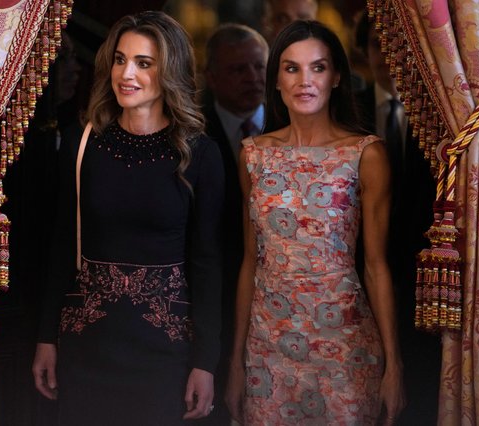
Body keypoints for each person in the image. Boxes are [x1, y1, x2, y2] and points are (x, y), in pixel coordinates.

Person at [32, 11, 225, 425]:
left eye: (144, 63)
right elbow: (63, 245)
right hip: (86, 347)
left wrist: (206, 362)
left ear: (169, 70)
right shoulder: (83, 145)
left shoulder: (200, 154)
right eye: (120, 60)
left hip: (165, 354)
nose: (127, 73)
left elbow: (208, 264)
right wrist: (47, 337)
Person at [225, 20, 405, 425]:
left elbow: (376, 266)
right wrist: (235, 361)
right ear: (275, 80)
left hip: (344, 346)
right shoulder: (252, 155)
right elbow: (250, 261)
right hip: (268, 345)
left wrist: (394, 365)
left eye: (318, 67)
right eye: (291, 68)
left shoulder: (365, 154)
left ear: (337, 76)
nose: (305, 80)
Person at [354, 11, 439, 424]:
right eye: (378, 45)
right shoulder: (347, 115)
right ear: (362, 51)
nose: (389, 57)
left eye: (399, 47)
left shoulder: (444, 116)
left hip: (426, 287)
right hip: (357, 286)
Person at [202, 23, 268, 426]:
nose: (253, 78)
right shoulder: (193, 130)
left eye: (259, 67)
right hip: (216, 296)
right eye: (238, 69)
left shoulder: (290, 119)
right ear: (211, 77)